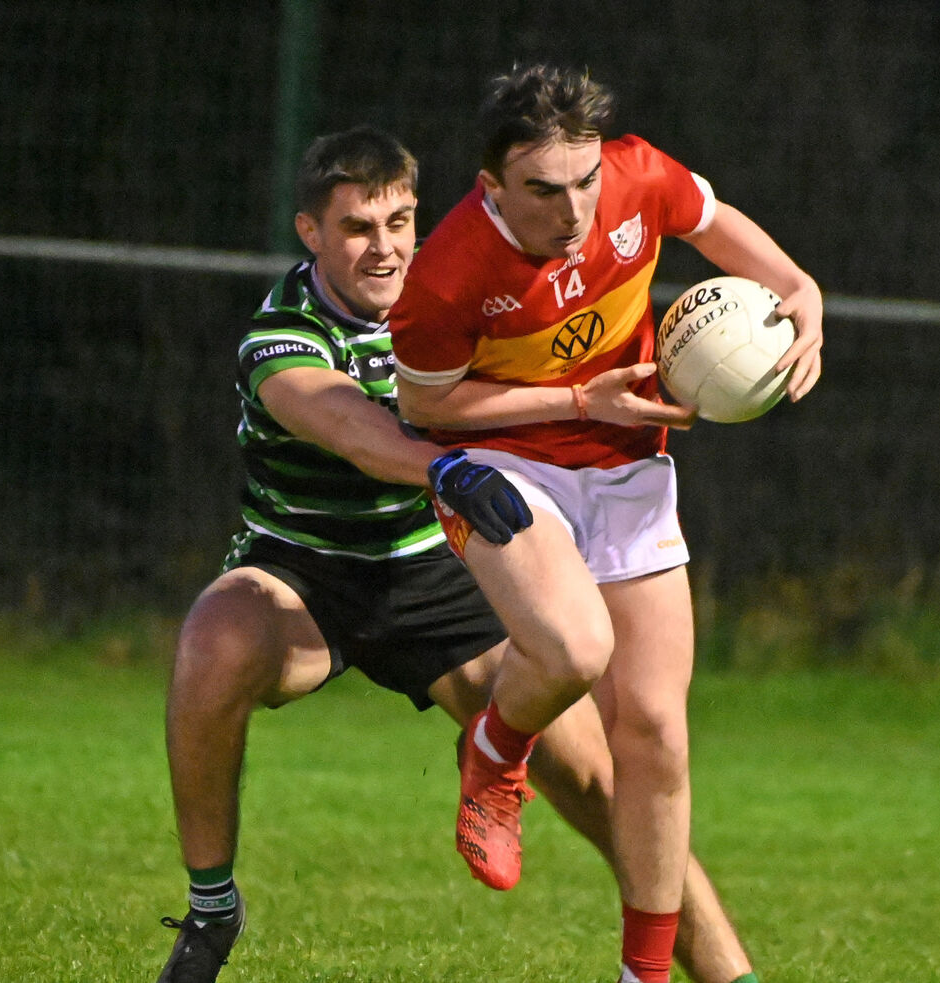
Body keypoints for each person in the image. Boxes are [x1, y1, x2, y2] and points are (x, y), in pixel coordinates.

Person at [155, 125, 759, 983]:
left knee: (607, 779)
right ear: (310, 234)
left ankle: (732, 976)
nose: (385, 246)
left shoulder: (450, 291)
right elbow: (353, 429)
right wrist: (442, 463)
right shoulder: (278, 333)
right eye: (358, 227)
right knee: (212, 643)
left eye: (400, 220)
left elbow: (538, 364)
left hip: (441, 571)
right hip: (304, 571)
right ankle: (213, 909)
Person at [389, 65, 823, 983]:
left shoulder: (634, 176)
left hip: (625, 464)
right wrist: (581, 393)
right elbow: (431, 410)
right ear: (491, 186)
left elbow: (708, 217)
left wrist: (796, 284)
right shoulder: (447, 274)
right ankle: (497, 748)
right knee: (576, 648)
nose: (574, 208)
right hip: (506, 465)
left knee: (658, 730)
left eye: (584, 181)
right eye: (543, 189)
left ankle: (646, 975)